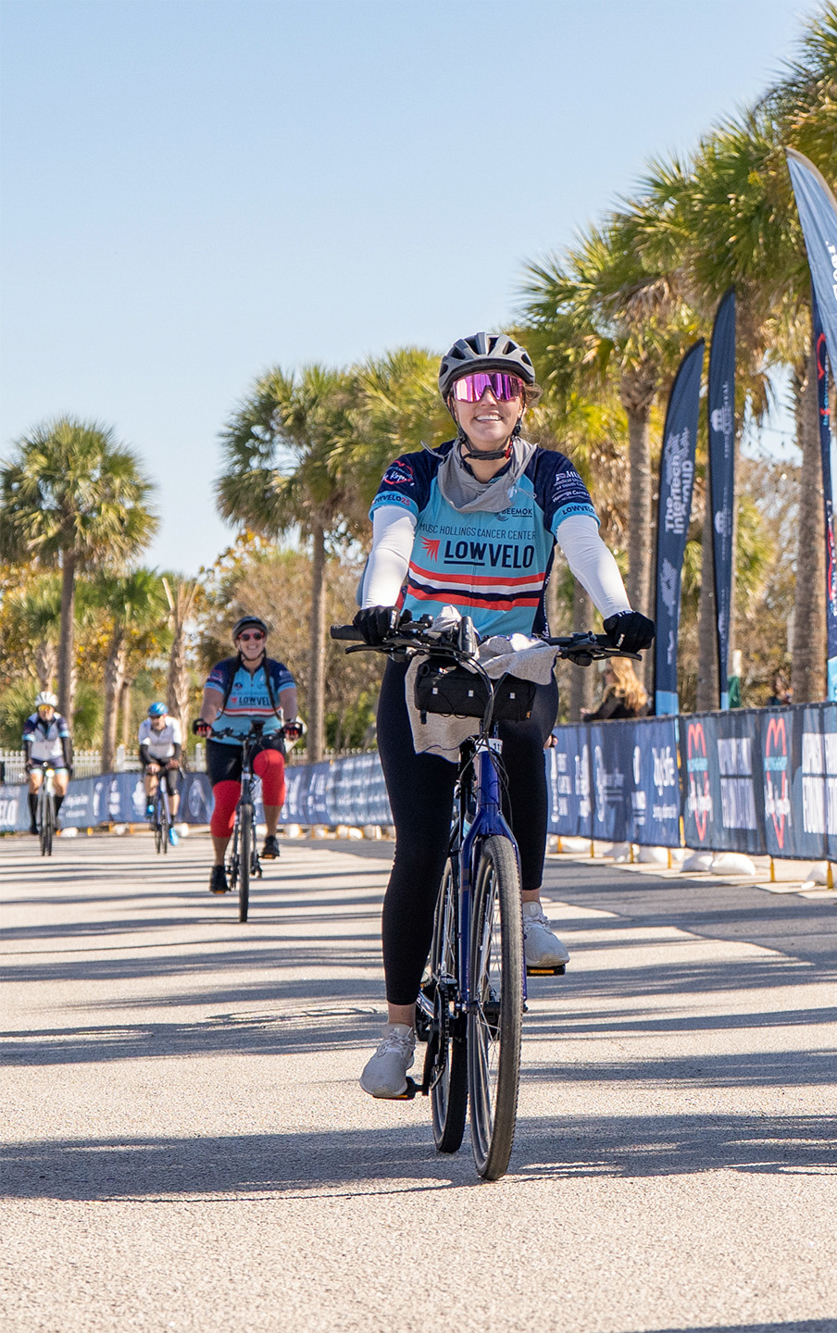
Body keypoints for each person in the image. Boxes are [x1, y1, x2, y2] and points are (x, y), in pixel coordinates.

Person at [351, 331, 654, 1099]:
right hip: (424, 667)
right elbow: (391, 541)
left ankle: (529, 905)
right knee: (419, 847)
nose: (490, 403)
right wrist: (379, 607)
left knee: (525, 735)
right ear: (452, 401)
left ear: (522, 404)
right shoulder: (415, 471)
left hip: (511, 659)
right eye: (475, 390)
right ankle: (395, 1032)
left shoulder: (548, 472)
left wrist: (616, 610)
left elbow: (581, 541)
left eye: (506, 390)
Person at [193, 616, 303, 892]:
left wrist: (290, 723)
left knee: (275, 764)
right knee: (227, 800)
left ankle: (271, 836)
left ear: (264, 640)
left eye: (258, 636)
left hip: (265, 737)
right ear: (237, 643)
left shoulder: (276, 670)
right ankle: (219, 865)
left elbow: (289, 699)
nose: (252, 641)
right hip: (224, 739)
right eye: (246, 637)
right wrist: (205, 721)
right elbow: (211, 701)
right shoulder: (224, 670)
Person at [21, 692, 72, 836]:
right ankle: (33, 821)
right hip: (37, 757)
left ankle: (54, 815)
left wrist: (68, 762)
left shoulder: (60, 721)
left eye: (49, 707)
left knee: (61, 786)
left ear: (54, 708)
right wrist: (28, 761)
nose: (46, 710)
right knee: (35, 783)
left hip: (56, 757)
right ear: (38, 709)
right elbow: (28, 742)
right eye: (43, 707)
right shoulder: (32, 721)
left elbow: (66, 741)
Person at [136, 701, 184, 843]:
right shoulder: (144, 726)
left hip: (168, 757)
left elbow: (178, 746)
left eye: (157, 717)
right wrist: (150, 763)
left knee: (172, 788)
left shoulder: (173, 724)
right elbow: (143, 750)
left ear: (164, 716)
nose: (154, 721)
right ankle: (149, 802)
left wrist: (174, 760)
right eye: (152, 717)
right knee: (150, 773)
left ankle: (171, 825)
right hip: (152, 757)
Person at [582, 657, 647, 721]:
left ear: (618, 673)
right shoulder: (640, 692)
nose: (605, 675)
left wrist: (587, 717)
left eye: (608, 672)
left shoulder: (617, 692)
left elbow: (601, 715)